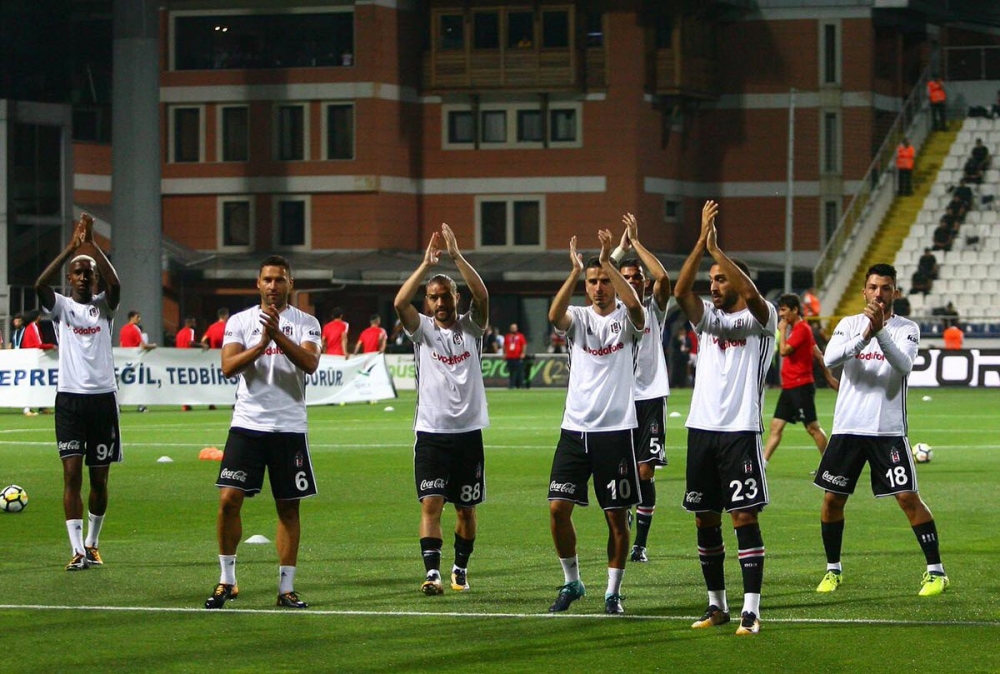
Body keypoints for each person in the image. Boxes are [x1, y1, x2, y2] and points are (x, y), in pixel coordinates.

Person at [814, 263, 949, 597]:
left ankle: (936, 572)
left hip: (887, 430)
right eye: (873, 287)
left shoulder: (907, 329)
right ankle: (833, 570)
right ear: (864, 291)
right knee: (832, 500)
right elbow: (830, 359)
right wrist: (865, 334)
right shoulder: (848, 325)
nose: (879, 293)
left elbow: (904, 366)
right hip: (847, 429)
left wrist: (880, 332)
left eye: (885, 288)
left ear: (895, 292)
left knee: (907, 497)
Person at [674, 200, 777, 636]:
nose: (713, 285)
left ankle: (751, 610)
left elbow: (751, 295)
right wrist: (702, 244)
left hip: (740, 431)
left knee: (744, 518)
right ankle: (716, 605)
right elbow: (680, 294)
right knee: (705, 518)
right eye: (712, 280)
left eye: (720, 280)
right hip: (702, 430)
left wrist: (720, 253)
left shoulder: (763, 318)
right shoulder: (709, 321)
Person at [204, 255, 321, 610]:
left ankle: (286, 589)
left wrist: (277, 336)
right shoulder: (240, 322)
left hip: (288, 427)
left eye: (280, 280)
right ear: (258, 283)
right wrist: (260, 344)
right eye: (267, 280)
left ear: (290, 284)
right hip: (247, 425)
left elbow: (310, 362)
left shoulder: (306, 322)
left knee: (288, 509)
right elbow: (227, 366)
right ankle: (227, 580)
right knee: (228, 501)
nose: (273, 286)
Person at [546, 229, 645, 616]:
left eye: (604, 281)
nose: (600, 287)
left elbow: (636, 305)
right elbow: (555, 315)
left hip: (616, 431)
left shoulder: (628, 317)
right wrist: (574, 272)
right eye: (593, 282)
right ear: (585, 288)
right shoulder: (579, 318)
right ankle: (573, 581)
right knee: (557, 509)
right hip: (575, 429)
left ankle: (613, 592)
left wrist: (608, 262)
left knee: (616, 519)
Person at [393, 223, 490, 596]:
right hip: (431, 433)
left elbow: (483, 295)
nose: (440, 302)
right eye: (433, 297)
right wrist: (424, 265)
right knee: (431, 502)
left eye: (445, 295)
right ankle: (432, 574)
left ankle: (459, 567)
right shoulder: (422, 331)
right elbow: (401, 303)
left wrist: (457, 257)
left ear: (455, 296)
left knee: (466, 511)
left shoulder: (472, 328)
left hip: (468, 434)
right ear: (428, 301)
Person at [34, 214, 121, 571]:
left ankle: (93, 543)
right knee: (71, 474)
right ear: (69, 279)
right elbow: (39, 285)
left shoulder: (105, 306)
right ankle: (76, 550)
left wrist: (92, 246)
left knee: (99, 479)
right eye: (78, 272)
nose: (84, 277)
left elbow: (116, 285)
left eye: (90, 272)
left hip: (103, 401)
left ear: (96, 279)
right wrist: (71, 249)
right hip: (69, 400)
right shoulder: (62, 307)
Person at [610, 213, 671, 564]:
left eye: (636, 278)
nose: (631, 283)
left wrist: (636, 244)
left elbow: (663, 276)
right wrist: (617, 250)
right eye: (626, 278)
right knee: (623, 472)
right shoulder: (614, 310)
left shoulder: (653, 309)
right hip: (619, 400)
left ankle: (640, 544)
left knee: (645, 470)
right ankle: (628, 517)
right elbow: (600, 274)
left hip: (650, 398)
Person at [762, 294, 839, 468]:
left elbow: (783, 351)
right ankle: (763, 464)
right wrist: (829, 378)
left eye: (783, 310)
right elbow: (817, 353)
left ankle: (830, 466)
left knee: (812, 428)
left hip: (801, 386)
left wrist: (781, 332)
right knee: (776, 426)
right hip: (790, 386)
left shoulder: (802, 329)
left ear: (795, 310)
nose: (781, 314)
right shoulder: (799, 329)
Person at [503, 323, 527, 389]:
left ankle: (521, 385)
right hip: (509, 357)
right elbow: (505, 346)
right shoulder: (507, 336)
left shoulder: (520, 336)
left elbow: (524, 345)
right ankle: (511, 385)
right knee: (511, 372)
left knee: (519, 372)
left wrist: (523, 353)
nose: (513, 329)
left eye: (514, 328)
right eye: (512, 328)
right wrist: (504, 353)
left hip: (518, 357)